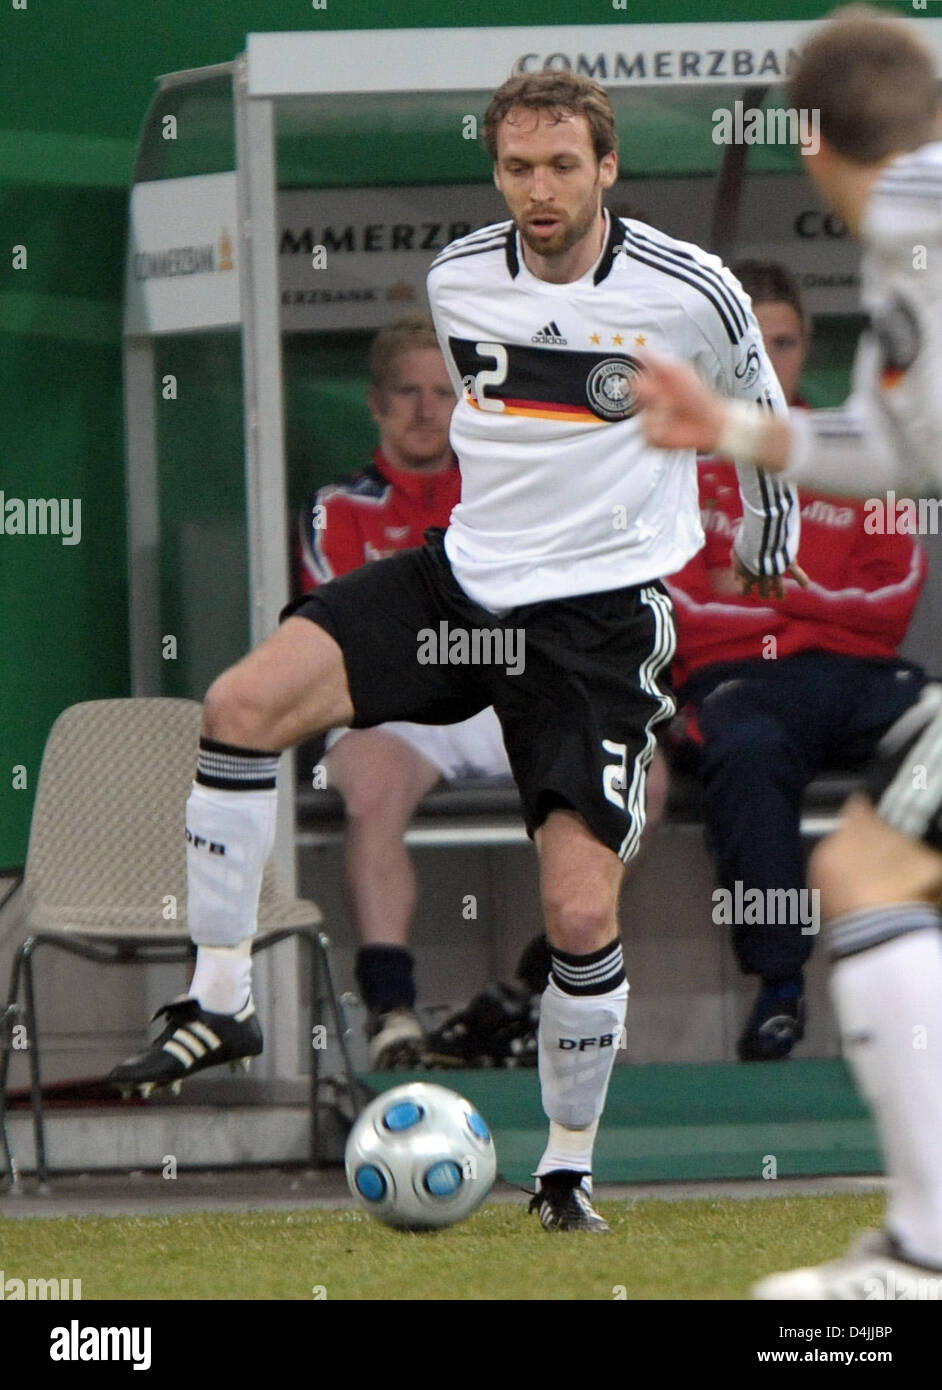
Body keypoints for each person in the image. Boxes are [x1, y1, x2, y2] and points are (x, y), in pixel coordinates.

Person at [109, 68, 798, 1232]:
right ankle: (221, 996)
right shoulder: (459, 274)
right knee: (238, 703)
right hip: (463, 583)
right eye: (519, 166)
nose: (540, 188)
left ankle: (569, 1163)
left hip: (598, 625)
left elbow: (766, 424)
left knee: (581, 915)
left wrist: (768, 536)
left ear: (607, 167)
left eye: (563, 165)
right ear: (498, 170)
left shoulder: (694, 290)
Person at [635, 5, 942, 1295]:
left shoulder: (915, 235)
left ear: (812, 143)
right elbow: (910, 453)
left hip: (849, 677)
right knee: (872, 861)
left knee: (867, 867)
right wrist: (740, 431)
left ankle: (925, 1255)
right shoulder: (913, 235)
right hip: (766, 682)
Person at [666, 259, 927, 1061]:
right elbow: (681, 609)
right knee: (745, 750)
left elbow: (894, 600)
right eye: (747, 342)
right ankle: (779, 990)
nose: (765, 362)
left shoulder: (848, 452)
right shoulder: (676, 461)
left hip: (857, 677)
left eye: (781, 343)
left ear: (804, 347)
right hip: (738, 680)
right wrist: (798, 597)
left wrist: (770, 586)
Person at [297, 315, 511, 1070]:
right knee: (373, 788)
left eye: (442, 393)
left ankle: (532, 992)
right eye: (406, 393)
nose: (426, 410)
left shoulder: (503, 498)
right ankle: (393, 1011)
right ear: (376, 405)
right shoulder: (340, 507)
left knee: (634, 767)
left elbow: (524, 612)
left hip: (493, 692)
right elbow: (347, 634)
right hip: (390, 706)